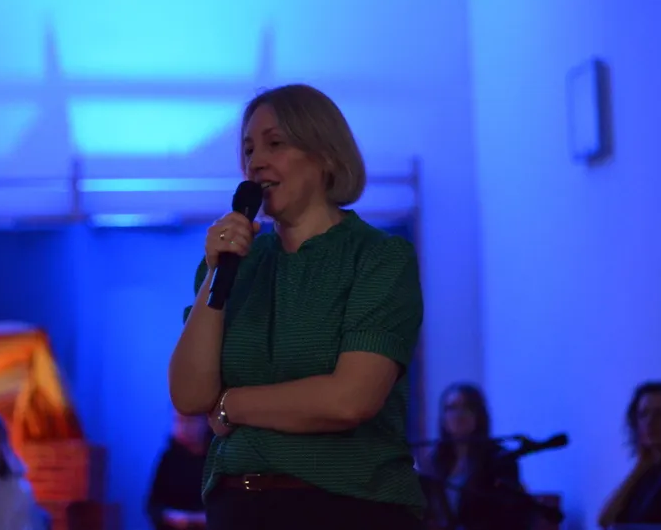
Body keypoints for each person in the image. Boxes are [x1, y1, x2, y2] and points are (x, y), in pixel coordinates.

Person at [168, 84, 425, 530]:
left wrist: (230, 405)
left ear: (325, 156)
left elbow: (350, 399)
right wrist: (215, 270)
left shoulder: (378, 258)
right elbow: (190, 396)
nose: (256, 162)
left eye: (275, 144)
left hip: (347, 507)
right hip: (238, 507)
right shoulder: (237, 265)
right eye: (249, 149)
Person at [421, 383, 531, 530]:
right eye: (451, 408)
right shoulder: (434, 462)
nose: (458, 415)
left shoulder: (499, 459)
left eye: (466, 408)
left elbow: (510, 517)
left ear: (479, 415)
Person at [598, 381, 661, 528]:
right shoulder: (647, 470)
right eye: (643, 414)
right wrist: (639, 467)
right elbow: (605, 521)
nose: (649, 421)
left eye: (660, 414)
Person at [146, 411, 212, 529]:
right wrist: (168, 516)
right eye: (179, 421)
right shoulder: (169, 457)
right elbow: (153, 505)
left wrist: (199, 519)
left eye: (190, 421)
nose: (184, 427)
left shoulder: (219, 458)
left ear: (206, 422)